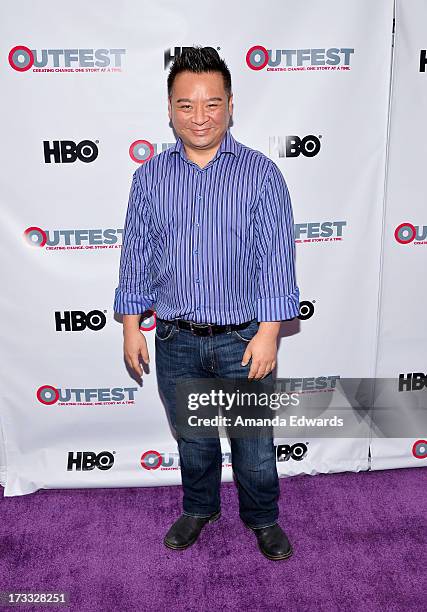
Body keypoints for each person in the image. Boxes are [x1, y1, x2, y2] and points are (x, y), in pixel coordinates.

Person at [113, 46, 300, 560]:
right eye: (186, 105)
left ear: (231, 105)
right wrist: (132, 326)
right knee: (193, 442)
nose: (200, 117)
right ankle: (199, 507)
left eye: (212, 104)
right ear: (170, 109)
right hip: (174, 338)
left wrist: (268, 334)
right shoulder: (149, 178)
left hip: (244, 339)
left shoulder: (261, 175)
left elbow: (276, 260)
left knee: (254, 447)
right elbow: (136, 256)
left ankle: (262, 518)